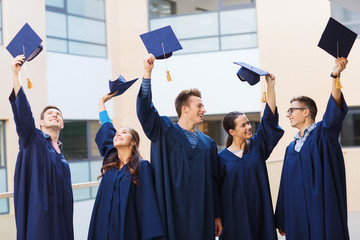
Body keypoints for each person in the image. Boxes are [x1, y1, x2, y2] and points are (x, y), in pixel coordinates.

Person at [137, 53, 222, 240]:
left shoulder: (208, 144)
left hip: (201, 214)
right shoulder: (164, 131)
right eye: (199, 106)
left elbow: (214, 182)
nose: (204, 110)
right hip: (171, 212)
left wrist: (216, 215)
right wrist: (147, 73)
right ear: (184, 109)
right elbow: (145, 111)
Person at [275, 57, 350, 240]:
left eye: (292, 110)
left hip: (321, 213)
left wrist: (335, 75)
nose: (288, 114)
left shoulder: (323, 136)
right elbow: (285, 185)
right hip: (297, 218)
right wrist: (283, 219)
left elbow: (334, 113)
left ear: (306, 111)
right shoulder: (290, 148)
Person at [10, 55, 74, 240]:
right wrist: (16, 75)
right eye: (49, 114)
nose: (54, 115)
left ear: (62, 124)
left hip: (61, 221)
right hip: (40, 222)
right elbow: (23, 115)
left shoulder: (61, 155)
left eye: (58, 115)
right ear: (41, 123)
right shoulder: (33, 141)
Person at [88, 92, 163, 240]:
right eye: (117, 133)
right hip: (103, 228)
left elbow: (147, 205)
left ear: (133, 141)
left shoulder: (142, 167)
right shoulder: (110, 162)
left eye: (124, 132)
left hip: (127, 230)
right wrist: (102, 103)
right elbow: (107, 128)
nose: (118, 134)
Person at [219, 74, 284, 239]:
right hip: (235, 221)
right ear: (231, 131)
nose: (249, 127)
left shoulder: (257, 147)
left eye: (248, 123)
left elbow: (268, 120)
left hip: (262, 216)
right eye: (243, 125)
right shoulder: (221, 159)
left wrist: (270, 87)